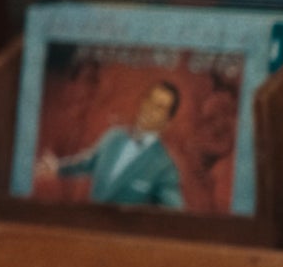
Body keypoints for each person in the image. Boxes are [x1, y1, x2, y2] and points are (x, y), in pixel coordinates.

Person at [36, 81, 187, 208]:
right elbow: (88, 163)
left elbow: (175, 218)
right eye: (149, 99)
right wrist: (57, 168)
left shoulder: (165, 167)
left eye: (159, 107)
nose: (149, 108)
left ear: (168, 122)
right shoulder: (114, 136)